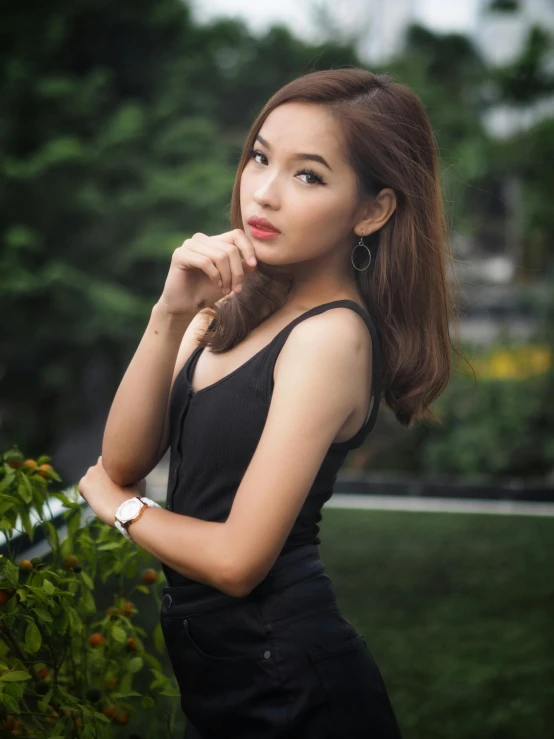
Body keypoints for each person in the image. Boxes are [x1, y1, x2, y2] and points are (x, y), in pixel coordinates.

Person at [79, 67, 459, 738]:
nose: (264, 192)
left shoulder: (330, 339)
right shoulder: (228, 308)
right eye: (260, 157)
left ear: (372, 211)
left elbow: (235, 559)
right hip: (224, 678)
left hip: (293, 690)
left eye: (308, 175)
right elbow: (125, 454)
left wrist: (123, 507)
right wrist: (170, 311)